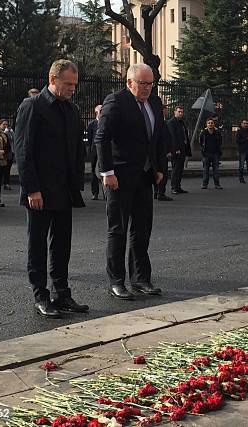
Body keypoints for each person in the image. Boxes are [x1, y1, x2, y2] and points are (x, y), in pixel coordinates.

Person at [15, 59, 88, 318]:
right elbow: (23, 150)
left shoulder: (71, 109)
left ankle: (62, 293)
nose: (72, 89)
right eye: (68, 84)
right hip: (40, 192)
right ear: (52, 79)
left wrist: (76, 182)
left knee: (62, 244)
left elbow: (78, 149)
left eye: (75, 85)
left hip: (64, 190)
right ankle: (40, 295)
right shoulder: (32, 106)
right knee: (37, 243)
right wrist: (32, 189)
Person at [94, 63, 168, 300]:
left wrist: (158, 168)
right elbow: (102, 138)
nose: (147, 88)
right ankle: (117, 280)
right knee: (118, 229)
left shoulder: (155, 103)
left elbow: (158, 138)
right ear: (129, 83)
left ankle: (141, 278)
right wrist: (107, 172)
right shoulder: (116, 102)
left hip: (145, 176)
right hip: (119, 176)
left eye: (150, 84)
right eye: (142, 83)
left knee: (142, 229)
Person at [167, 105, 191, 194]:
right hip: (176, 150)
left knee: (180, 169)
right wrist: (175, 149)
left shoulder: (181, 122)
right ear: (175, 112)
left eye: (182, 112)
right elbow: (172, 137)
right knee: (176, 169)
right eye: (179, 111)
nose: (181, 113)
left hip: (183, 148)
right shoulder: (171, 123)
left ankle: (178, 186)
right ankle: (174, 187)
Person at [154, 105, 174, 201]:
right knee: (163, 172)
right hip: (161, 153)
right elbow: (165, 138)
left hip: (156, 152)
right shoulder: (161, 122)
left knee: (157, 171)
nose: (167, 112)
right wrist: (167, 150)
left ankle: (156, 192)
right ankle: (161, 193)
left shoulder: (155, 120)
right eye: (165, 110)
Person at [199, 118, 223, 190]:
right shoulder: (203, 133)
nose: (210, 124)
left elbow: (220, 141)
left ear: (214, 124)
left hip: (215, 153)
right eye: (209, 123)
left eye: (211, 123)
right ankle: (204, 184)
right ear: (206, 124)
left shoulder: (217, 132)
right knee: (206, 170)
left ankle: (217, 184)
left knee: (216, 170)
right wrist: (203, 151)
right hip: (206, 154)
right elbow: (200, 142)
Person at [86, 105, 102, 200]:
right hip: (94, 151)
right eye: (100, 111)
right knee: (93, 172)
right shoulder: (92, 124)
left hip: (104, 151)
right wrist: (90, 152)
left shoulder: (106, 122)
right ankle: (95, 193)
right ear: (96, 113)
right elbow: (89, 140)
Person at [0, 119, 15, 190]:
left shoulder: (9, 132)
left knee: (8, 169)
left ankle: (7, 183)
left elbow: (14, 139)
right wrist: (6, 133)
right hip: (3, 153)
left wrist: (11, 132)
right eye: (4, 124)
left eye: (7, 124)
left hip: (10, 152)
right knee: (3, 169)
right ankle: (3, 183)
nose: (5, 126)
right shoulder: (1, 133)